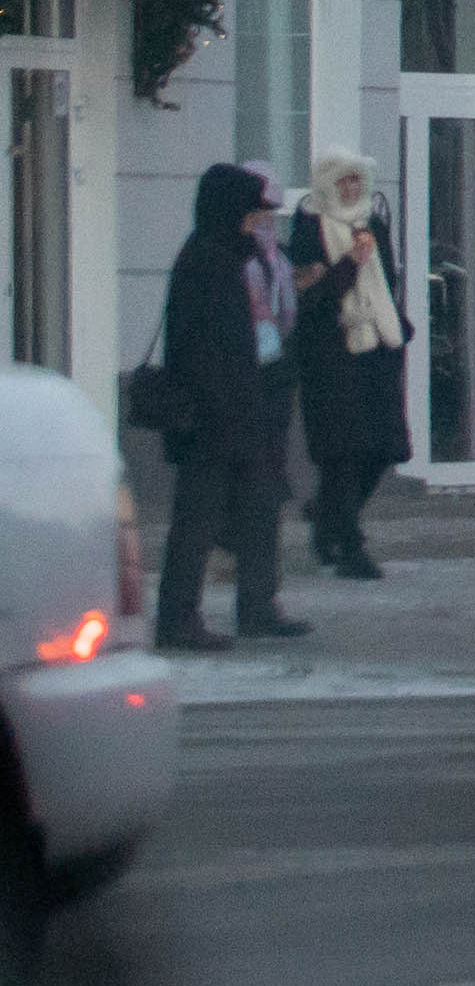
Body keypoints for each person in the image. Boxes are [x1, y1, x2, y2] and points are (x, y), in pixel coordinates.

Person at [151, 158, 307, 648]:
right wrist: (229, 407)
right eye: (251, 209)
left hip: (249, 408)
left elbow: (255, 335)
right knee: (196, 522)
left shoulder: (237, 256)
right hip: (214, 417)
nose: (257, 219)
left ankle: (258, 605)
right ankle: (178, 619)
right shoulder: (207, 259)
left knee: (261, 509)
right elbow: (204, 347)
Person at [288, 151, 413, 580]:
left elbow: (387, 285)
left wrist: (397, 330)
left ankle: (327, 519)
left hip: (376, 353)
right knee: (344, 454)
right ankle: (348, 545)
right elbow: (310, 299)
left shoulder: (373, 224)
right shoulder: (308, 228)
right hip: (331, 358)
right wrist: (349, 264)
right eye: (343, 182)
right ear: (326, 185)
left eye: (357, 182)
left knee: (383, 450)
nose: (351, 190)